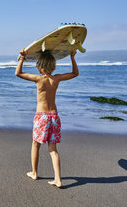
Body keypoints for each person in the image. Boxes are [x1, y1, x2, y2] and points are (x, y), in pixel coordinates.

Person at [15, 49, 79, 188]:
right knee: (53, 150)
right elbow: (75, 73)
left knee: (35, 145)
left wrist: (22, 57)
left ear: (40, 66)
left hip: (42, 117)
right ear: (53, 66)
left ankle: (34, 172)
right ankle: (58, 179)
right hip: (54, 117)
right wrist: (72, 57)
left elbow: (18, 73)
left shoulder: (39, 79)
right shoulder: (56, 79)